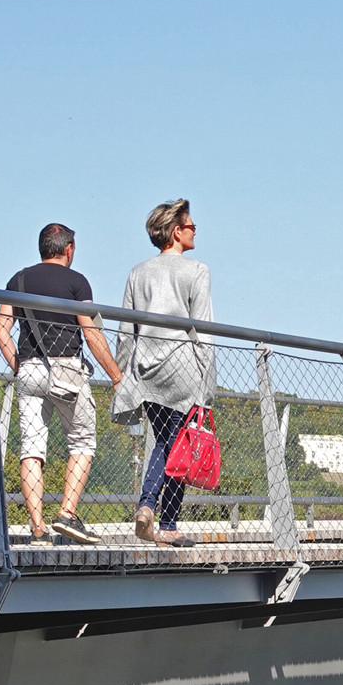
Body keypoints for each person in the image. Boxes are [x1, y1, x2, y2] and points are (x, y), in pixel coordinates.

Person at [0, 223, 124, 545]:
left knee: (32, 449)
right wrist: (115, 375)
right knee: (81, 442)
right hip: (67, 369)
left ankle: (37, 527)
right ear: (68, 249)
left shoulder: (18, 280)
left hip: (29, 370)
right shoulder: (77, 283)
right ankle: (66, 514)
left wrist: (19, 366)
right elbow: (92, 334)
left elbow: (0, 330)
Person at [113, 199, 212, 547]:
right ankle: (159, 516)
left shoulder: (138, 272)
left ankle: (156, 515)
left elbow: (127, 330)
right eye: (190, 225)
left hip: (147, 369)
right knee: (181, 444)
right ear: (175, 232)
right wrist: (208, 382)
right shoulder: (196, 270)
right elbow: (203, 330)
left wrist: (122, 372)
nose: (195, 229)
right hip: (183, 367)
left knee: (166, 441)